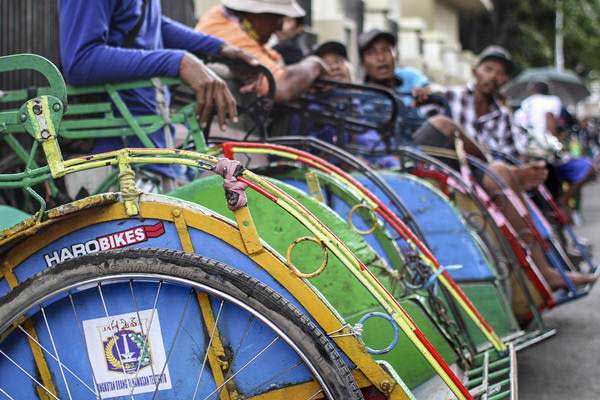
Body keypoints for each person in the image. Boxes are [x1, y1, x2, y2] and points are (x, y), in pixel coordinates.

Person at [59, 0, 258, 192]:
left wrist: (217, 48)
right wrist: (179, 61)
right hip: (113, 158)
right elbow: (80, 61)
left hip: (150, 142)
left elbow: (147, 22)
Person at [196, 0, 329, 102]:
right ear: (257, 15)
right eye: (277, 18)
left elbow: (274, 59)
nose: (280, 27)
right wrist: (315, 63)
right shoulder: (229, 34)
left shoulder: (221, 17)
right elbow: (280, 87)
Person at [515, 81, 596, 206]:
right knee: (588, 167)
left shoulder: (523, 105)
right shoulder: (552, 101)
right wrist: (557, 139)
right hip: (546, 152)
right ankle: (563, 200)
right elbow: (550, 120)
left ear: (532, 91)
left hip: (524, 153)